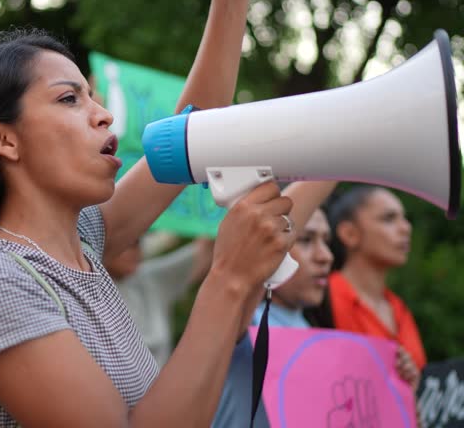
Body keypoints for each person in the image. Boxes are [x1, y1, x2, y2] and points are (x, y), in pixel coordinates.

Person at [0, 0, 343, 426]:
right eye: (69, 98)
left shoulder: (81, 242)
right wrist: (230, 280)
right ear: (2, 137)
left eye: (93, 95)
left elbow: (197, 126)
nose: (103, 114)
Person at [214, 182, 421, 427]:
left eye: (326, 241)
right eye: (305, 240)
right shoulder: (239, 323)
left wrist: (396, 391)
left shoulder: (312, 334)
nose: (326, 256)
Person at [313, 185, 425, 377]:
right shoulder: (322, 298)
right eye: (388, 219)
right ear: (349, 234)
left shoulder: (399, 309)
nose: (405, 228)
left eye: (404, 218)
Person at [104, 237, 214, 367]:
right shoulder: (86, 291)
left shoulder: (151, 280)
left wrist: (209, 224)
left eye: (137, 243)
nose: (133, 252)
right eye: (125, 244)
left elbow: (203, 253)